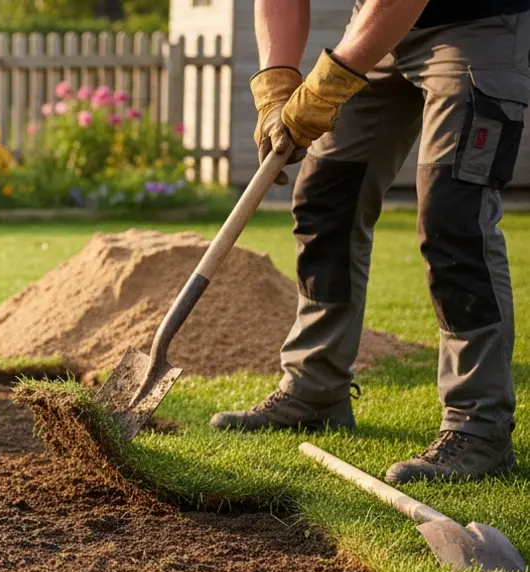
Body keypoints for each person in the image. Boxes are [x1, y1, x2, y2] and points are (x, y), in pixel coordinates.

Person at [210, 0, 530, 484]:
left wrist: (325, 85)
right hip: (374, 25)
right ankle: (314, 387)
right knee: (326, 198)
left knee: (453, 215)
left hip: (477, 22)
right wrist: (276, 87)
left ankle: (479, 426)